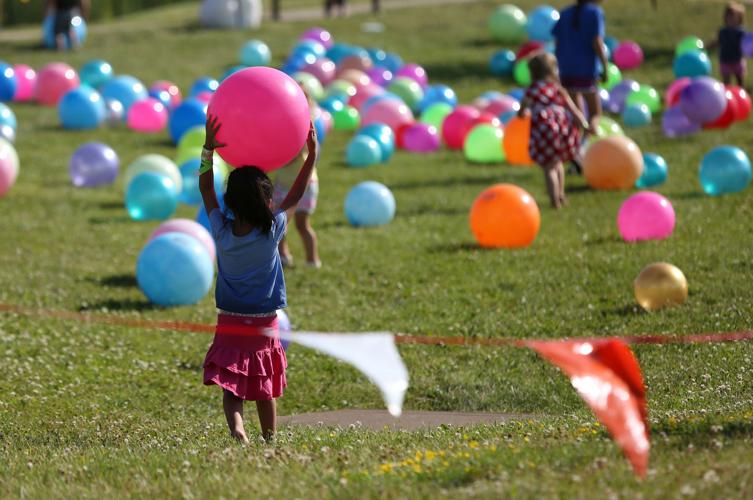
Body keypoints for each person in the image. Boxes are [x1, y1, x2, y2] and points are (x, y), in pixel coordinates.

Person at [199, 115, 318, 443]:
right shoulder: (273, 230)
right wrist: (311, 157)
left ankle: (237, 427)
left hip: (229, 319)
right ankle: (269, 438)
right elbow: (294, 196)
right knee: (265, 386)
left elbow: (206, 188)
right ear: (268, 201)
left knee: (231, 382)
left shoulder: (222, 232)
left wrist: (208, 149)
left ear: (231, 203)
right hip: (264, 321)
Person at [518, 53, 590, 209]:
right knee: (558, 164)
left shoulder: (532, 90)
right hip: (563, 128)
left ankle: (554, 201)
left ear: (532, 73)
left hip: (545, 131)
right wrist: (584, 124)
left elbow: (523, 109)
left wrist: (523, 113)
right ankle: (561, 195)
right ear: (552, 71)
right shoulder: (557, 88)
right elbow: (573, 109)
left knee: (549, 167)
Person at [551, 0, 608, 135]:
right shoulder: (595, 12)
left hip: (566, 70)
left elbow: (557, 42)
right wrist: (605, 67)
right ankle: (587, 141)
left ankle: (577, 142)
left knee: (577, 113)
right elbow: (597, 42)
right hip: (586, 71)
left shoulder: (565, 13)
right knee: (595, 113)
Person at [274, 147, 321, 268]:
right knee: (279, 223)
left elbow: (291, 156)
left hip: (304, 185)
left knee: (302, 224)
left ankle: (312, 260)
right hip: (282, 184)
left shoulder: (301, 133)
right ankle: (283, 256)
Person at [708, 2, 746, 87]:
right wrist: (708, 46)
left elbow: (746, 44)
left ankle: (741, 94)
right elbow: (717, 42)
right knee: (726, 82)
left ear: (739, 18)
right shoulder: (722, 31)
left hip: (737, 60)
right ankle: (728, 96)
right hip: (725, 60)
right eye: (728, 16)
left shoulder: (741, 32)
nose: (730, 19)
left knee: (739, 80)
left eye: (733, 17)